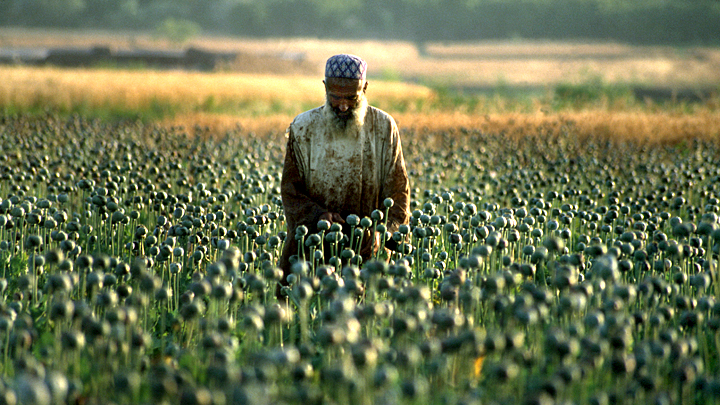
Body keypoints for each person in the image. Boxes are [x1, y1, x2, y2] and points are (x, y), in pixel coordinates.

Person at [278, 53, 410, 280]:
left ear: (365, 88)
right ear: (325, 87)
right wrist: (318, 216)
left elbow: (398, 193)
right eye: (335, 97)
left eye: (351, 97)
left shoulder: (383, 128)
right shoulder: (303, 128)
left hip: (367, 255)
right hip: (311, 253)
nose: (342, 106)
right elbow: (291, 191)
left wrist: (383, 233)